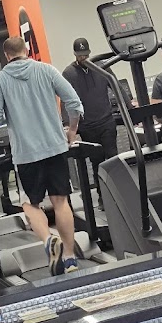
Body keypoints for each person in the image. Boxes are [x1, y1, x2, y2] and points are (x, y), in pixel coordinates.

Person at [0, 36, 84, 276]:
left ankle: (49, 241)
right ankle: (69, 258)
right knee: (61, 202)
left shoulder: (0, 80)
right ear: (27, 50)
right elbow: (74, 102)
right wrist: (71, 131)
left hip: (26, 154)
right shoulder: (46, 70)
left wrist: (13, 114)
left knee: (30, 205)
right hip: (55, 148)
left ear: (6, 56)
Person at [61, 38, 118, 208]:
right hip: (88, 126)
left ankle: (119, 194)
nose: (83, 58)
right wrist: (67, 124)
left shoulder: (101, 66)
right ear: (74, 54)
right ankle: (103, 197)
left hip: (106, 121)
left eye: (85, 54)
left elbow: (116, 86)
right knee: (97, 162)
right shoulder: (69, 74)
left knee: (114, 159)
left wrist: (130, 108)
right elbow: (64, 100)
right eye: (80, 55)